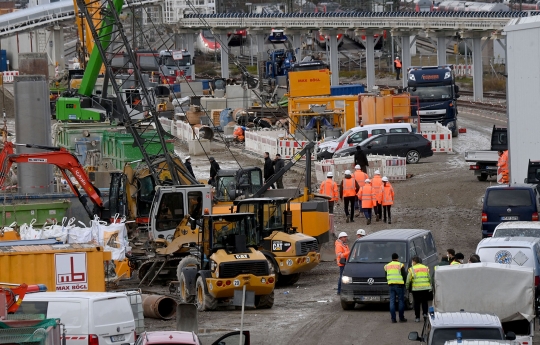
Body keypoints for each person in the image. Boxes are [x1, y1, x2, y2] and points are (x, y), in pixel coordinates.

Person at [406, 256, 432, 323]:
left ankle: (417, 317)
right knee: (424, 302)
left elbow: (408, 279)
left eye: (412, 261)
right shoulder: (425, 268)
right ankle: (425, 314)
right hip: (425, 288)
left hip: (416, 289)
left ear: (414, 261)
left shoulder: (412, 269)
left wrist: (407, 287)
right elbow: (429, 277)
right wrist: (430, 285)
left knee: (417, 303)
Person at [384, 253, 407, 323]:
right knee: (400, 301)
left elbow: (386, 275)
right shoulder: (400, 265)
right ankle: (401, 318)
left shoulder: (387, 266)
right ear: (397, 258)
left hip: (391, 285)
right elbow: (404, 275)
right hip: (400, 285)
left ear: (392, 258)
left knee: (392, 301)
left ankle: (393, 319)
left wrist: (388, 282)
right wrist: (405, 283)